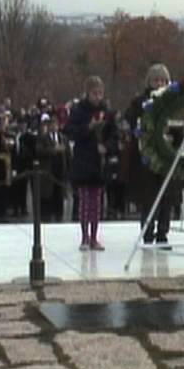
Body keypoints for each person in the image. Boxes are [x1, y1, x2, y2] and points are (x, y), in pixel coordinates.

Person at [124, 63, 174, 248]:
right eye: (156, 80)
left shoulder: (173, 100)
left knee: (166, 195)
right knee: (149, 195)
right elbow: (130, 120)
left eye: (162, 80)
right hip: (147, 155)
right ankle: (147, 231)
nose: (159, 83)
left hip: (168, 154)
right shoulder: (139, 102)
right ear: (149, 81)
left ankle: (163, 232)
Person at [66, 76, 109, 250]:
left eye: (100, 93)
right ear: (87, 93)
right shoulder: (78, 110)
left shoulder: (105, 110)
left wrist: (107, 146)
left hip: (99, 161)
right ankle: (84, 237)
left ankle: (94, 236)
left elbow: (112, 133)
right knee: (84, 201)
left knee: (97, 202)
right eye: (94, 93)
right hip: (83, 160)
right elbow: (70, 131)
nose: (98, 97)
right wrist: (88, 128)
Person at [35, 113, 69, 222]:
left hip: (60, 172)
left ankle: (59, 217)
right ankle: (46, 219)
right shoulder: (42, 138)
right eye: (52, 124)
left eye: (56, 124)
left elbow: (68, 154)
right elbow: (39, 151)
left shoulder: (63, 138)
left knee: (59, 198)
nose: (54, 126)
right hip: (48, 172)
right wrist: (53, 150)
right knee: (47, 198)